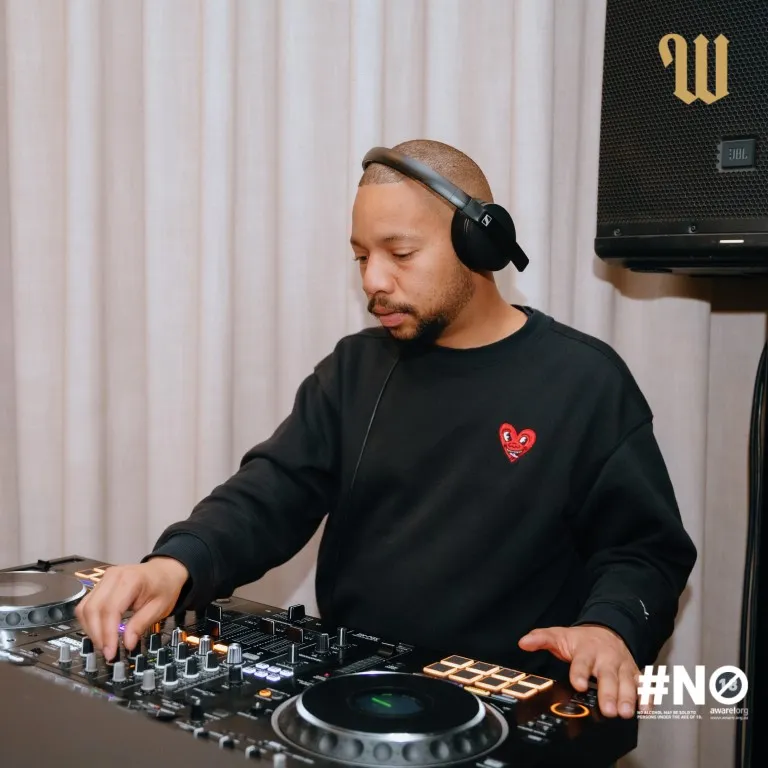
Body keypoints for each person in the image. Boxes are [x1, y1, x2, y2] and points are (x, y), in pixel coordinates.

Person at [76, 139, 697, 723]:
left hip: (505, 709)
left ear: (478, 244)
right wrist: (175, 565)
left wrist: (610, 627)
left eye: (399, 254)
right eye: (361, 257)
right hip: (356, 697)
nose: (373, 280)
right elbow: (271, 492)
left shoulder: (583, 381)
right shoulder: (354, 369)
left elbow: (643, 551)